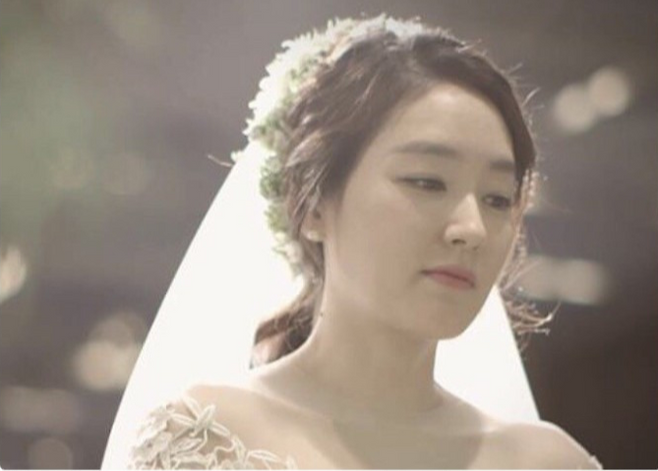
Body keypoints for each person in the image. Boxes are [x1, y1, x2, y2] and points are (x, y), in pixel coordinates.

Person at [104, 15, 602, 469]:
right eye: (427, 182)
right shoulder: (207, 439)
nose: (472, 228)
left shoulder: (549, 462)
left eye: (497, 198)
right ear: (314, 203)